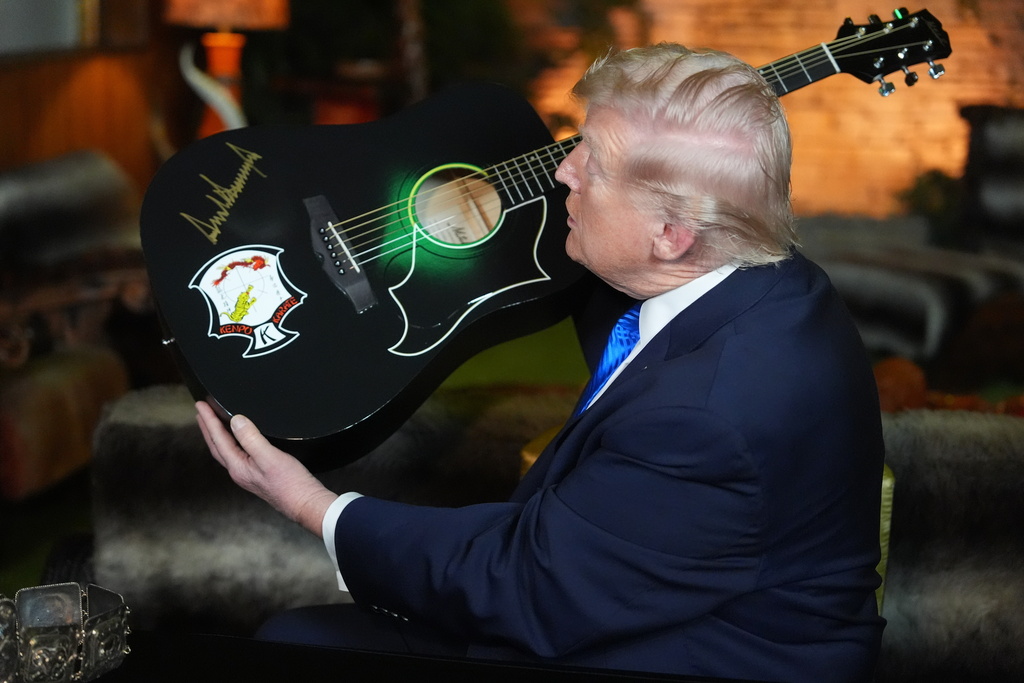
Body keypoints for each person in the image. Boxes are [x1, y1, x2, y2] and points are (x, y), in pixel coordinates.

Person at [196, 43, 885, 681]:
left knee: (294, 643)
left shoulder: (705, 418)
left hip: (704, 653)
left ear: (671, 234)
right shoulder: (766, 278)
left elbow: (523, 587)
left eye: (594, 162)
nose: (563, 171)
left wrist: (314, 506)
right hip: (643, 594)